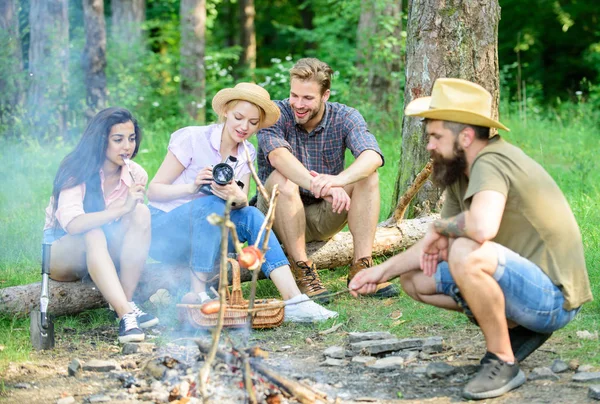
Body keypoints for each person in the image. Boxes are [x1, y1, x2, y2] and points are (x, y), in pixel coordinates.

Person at [349, 78, 593, 399]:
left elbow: (480, 227)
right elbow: (436, 242)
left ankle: (503, 360)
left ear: (465, 136)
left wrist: (442, 230)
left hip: (553, 298)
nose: (429, 145)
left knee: (465, 250)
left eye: (436, 136)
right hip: (522, 285)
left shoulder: (492, 160)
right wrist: (380, 272)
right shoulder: (458, 172)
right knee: (414, 277)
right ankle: (513, 331)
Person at [146, 82, 338, 323]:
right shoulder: (193, 138)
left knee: (253, 215)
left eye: (253, 122)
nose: (244, 127)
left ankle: (295, 300)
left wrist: (237, 198)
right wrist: (192, 187)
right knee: (212, 203)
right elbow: (153, 191)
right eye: (238, 117)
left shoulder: (246, 152)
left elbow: (241, 203)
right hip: (165, 232)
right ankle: (198, 293)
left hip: (206, 235)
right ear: (226, 110)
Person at [255, 57, 399, 303]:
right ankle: (303, 271)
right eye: (294, 95)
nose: (298, 104)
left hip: (323, 216)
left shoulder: (345, 117)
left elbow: (372, 156)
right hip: (277, 216)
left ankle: (362, 268)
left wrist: (338, 181)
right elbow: (278, 157)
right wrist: (321, 187)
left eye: (308, 98)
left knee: (368, 176)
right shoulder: (274, 115)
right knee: (283, 178)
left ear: (325, 95)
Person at [44, 107, 158, 344]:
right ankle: (126, 312)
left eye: (131, 138)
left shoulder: (136, 174)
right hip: (61, 251)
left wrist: (130, 210)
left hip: (102, 252)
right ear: (100, 141)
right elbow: (74, 225)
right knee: (93, 232)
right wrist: (120, 209)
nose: (127, 146)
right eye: (118, 140)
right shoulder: (75, 170)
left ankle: (125, 306)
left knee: (142, 212)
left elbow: (130, 225)